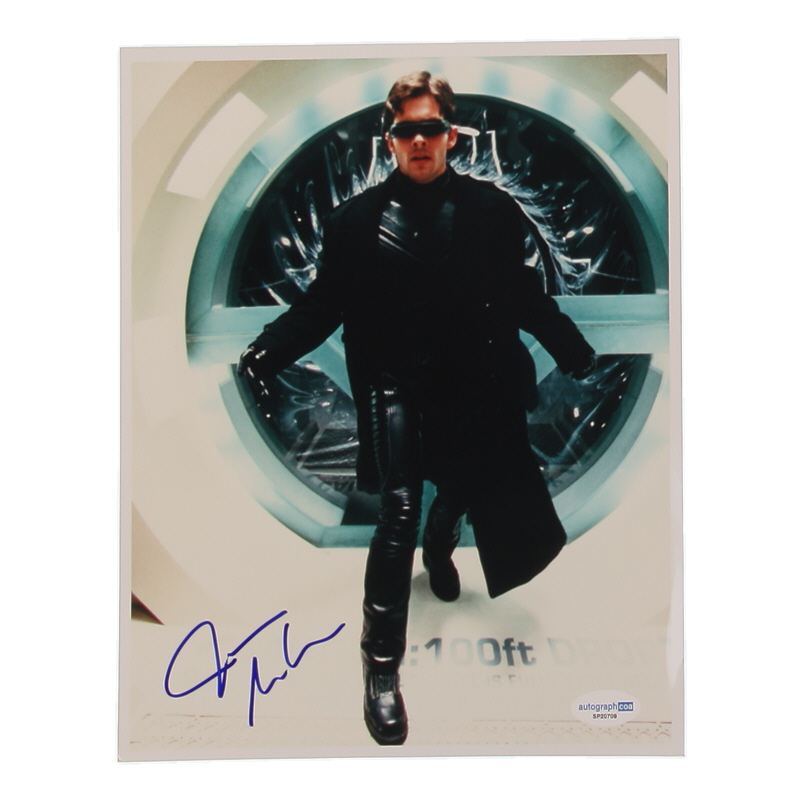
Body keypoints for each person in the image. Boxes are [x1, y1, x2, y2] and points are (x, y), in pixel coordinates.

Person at [238, 71, 597, 746]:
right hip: (395, 385)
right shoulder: (355, 224)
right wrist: (267, 350)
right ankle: (380, 669)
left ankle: (441, 543)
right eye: (407, 130)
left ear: (449, 134)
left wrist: (570, 347)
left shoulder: (491, 210)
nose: (420, 141)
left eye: (431, 128)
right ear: (391, 139)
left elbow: (521, 294)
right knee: (397, 511)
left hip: (473, 380)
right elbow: (322, 304)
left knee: (460, 486)